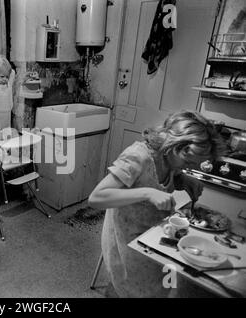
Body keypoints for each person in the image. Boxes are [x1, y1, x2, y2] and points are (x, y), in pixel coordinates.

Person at [88, 111, 226, 298]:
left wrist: (182, 179)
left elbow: (161, 178)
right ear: (174, 146)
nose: (189, 168)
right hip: (126, 238)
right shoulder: (138, 157)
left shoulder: (169, 159)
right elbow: (96, 198)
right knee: (130, 287)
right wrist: (147, 193)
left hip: (152, 235)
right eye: (188, 163)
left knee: (156, 285)